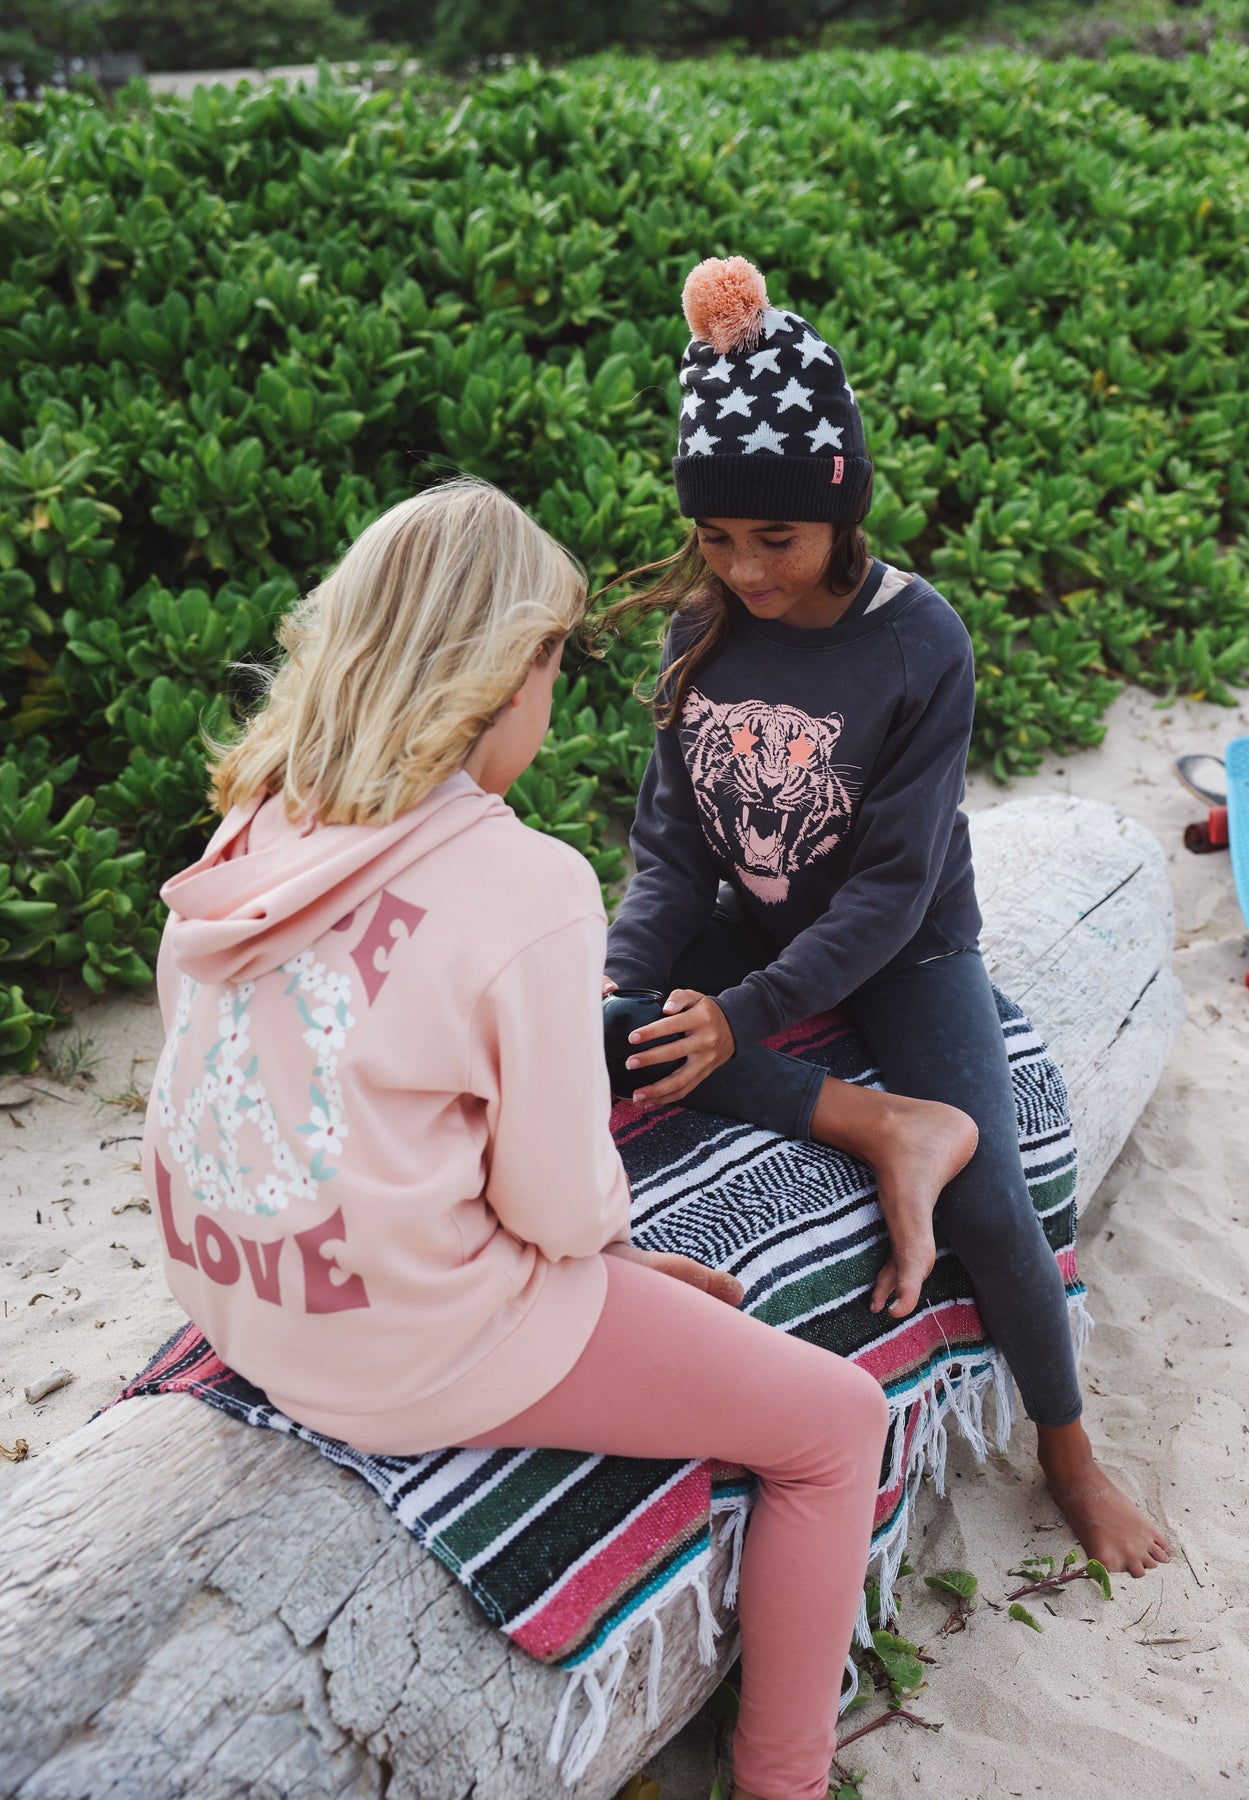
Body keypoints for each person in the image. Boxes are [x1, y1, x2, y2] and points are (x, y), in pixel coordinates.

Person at [143, 477, 891, 1800]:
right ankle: (785, 1781)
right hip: (403, 1345)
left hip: (237, 1294)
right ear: (504, 678)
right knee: (836, 1424)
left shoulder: (253, 829)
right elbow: (556, 1205)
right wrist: (603, 1262)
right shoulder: (525, 881)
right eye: (552, 666)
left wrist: (604, 1276)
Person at [601, 255, 1170, 1580]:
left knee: (990, 1204)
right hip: (748, 919)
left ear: (840, 507)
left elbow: (889, 887)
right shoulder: (701, 632)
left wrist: (741, 1016)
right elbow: (669, 849)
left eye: (775, 538)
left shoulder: (921, 642)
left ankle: (1069, 1449)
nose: (744, 568)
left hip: (906, 944)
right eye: (717, 539)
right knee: (607, 1027)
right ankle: (875, 1123)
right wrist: (632, 983)